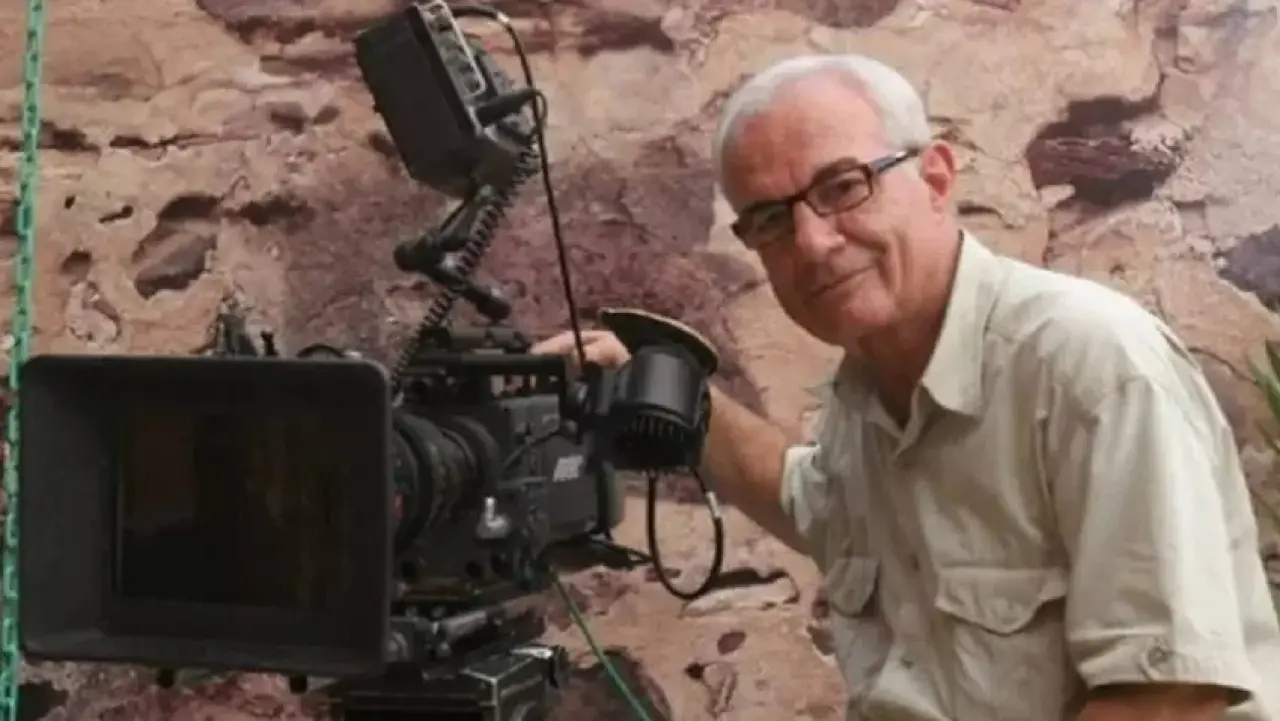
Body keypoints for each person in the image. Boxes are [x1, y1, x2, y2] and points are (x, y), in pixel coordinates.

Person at [533, 53, 1280, 720]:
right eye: (769, 220)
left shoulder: (1089, 368)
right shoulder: (868, 393)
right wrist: (666, 391)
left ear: (936, 178)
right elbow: (811, 503)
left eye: (843, 186)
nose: (813, 243)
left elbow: (1169, 698)